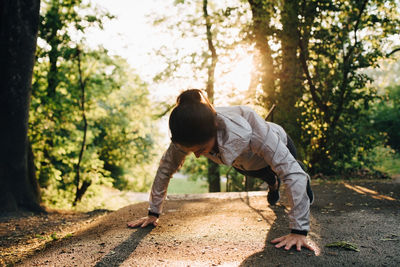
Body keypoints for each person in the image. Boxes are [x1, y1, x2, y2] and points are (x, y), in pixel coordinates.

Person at [127, 89, 315, 251]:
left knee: (292, 172)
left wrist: (299, 231)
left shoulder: (251, 124)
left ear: (215, 129)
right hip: (245, 163)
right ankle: (273, 184)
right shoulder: (189, 131)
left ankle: (298, 172)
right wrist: (153, 213)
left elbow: (291, 174)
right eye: (192, 152)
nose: (198, 156)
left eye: (200, 150)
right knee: (264, 175)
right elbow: (165, 170)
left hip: (279, 142)